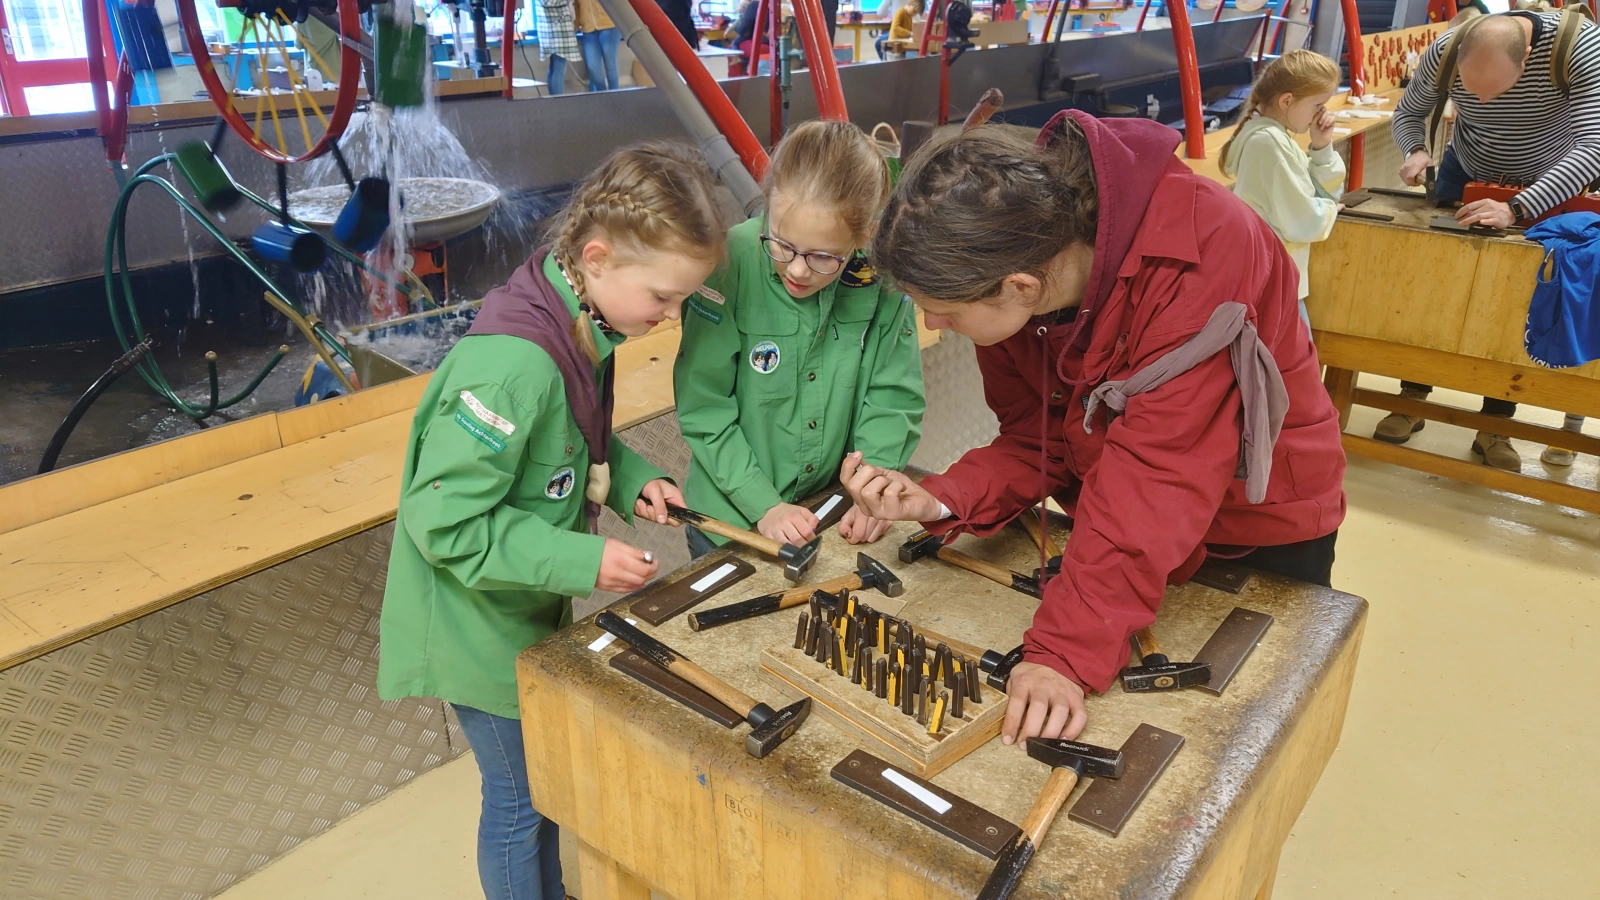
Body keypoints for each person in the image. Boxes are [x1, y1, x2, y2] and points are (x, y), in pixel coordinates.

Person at [838, 112, 1346, 745]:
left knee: (1241, 745)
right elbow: (1040, 436)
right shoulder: (1019, 259)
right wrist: (943, 496)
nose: (935, 326)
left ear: (1021, 286)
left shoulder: (1203, 250)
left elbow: (1159, 478)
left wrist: (1065, 652)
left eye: (944, 312)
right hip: (1130, 531)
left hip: (1256, 526)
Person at [377, 143, 726, 900]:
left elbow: (572, 436)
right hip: (473, 624)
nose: (670, 317)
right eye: (663, 297)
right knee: (519, 798)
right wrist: (584, 560)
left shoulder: (578, 314)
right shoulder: (516, 365)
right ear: (597, 257)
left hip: (520, 603)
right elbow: (444, 524)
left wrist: (634, 478)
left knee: (543, 783)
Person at [675, 120, 926, 555]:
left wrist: (875, 485)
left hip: (826, 508)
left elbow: (892, 392)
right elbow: (704, 406)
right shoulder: (729, 263)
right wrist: (763, 504)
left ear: (864, 236)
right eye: (781, 244)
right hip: (729, 521)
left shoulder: (881, 274)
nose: (796, 269)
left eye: (823, 257)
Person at [1385, 6, 1599, 469]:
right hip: (1466, 171)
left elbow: (1593, 146)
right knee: (1434, 288)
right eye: (1471, 93)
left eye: (1496, 91)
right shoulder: (1445, 50)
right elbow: (1408, 112)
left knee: (1513, 301)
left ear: (1527, 59)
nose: (1481, 104)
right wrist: (1415, 149)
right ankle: (1410, 397)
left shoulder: (1578, 47)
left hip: (1545, 182)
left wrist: (1518, 207)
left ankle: (1496, 424)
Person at [1220, 50, 1346, 326]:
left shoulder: (1272, 137)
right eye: (1317, 105)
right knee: (1295, 353)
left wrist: (1322, 146)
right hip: (1273, 283)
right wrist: (1330, 210)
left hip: (1274, 278)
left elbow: (1316, 192)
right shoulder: (1270, 144)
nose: (1321, 114)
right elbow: (1302, 219)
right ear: (1287, 101)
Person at [574, 0, 621, 91]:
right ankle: (603, 95)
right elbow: (576, 6)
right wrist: (575, 25)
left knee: (610, 64)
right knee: (593, 67)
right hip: (588, 28)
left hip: (609, 24)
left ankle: (615, 95)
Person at [536, 0, 579, 94]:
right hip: (557, 29)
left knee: (554, 67)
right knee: (559, 69)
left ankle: (553, 99)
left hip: (554, 28)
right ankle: (558, 100)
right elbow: (548, 2)